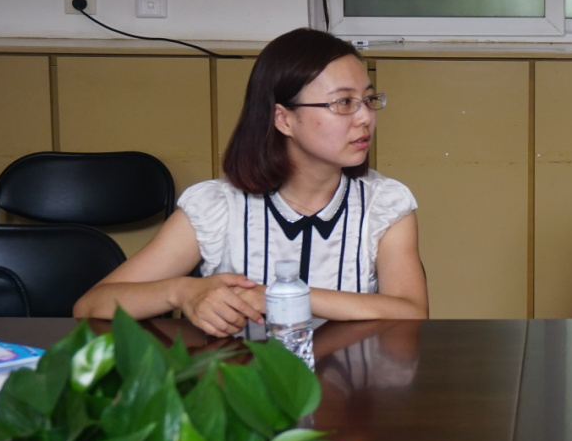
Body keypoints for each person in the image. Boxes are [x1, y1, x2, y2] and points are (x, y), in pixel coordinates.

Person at [75, 28, 428, 336]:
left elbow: (412, 311)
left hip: (351, 388)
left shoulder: (384, 204)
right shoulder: (217, 206)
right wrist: (182, 293)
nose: (365, 117)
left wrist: (278, 297)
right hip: (242, 387)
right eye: (344, 102)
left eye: (368, 99)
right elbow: (91, 305)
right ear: (283, 119)